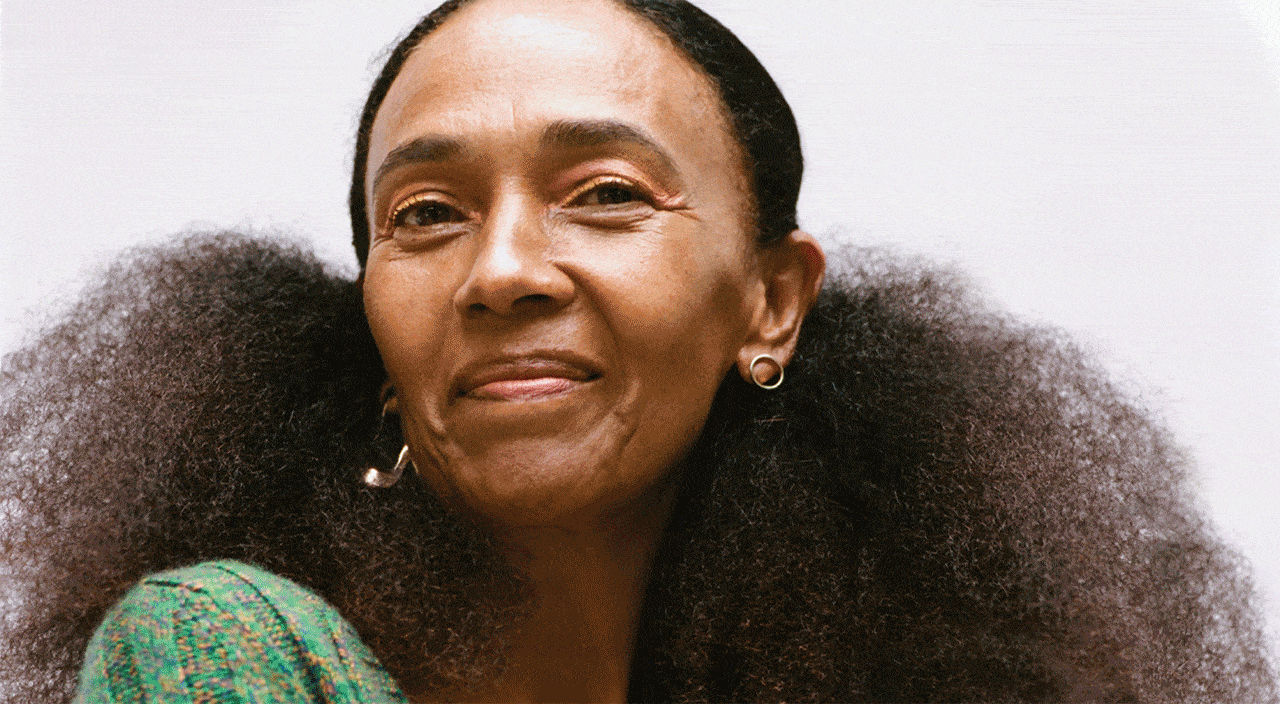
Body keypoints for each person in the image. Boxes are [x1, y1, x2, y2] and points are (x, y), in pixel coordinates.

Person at [1, 0, 1274, 701]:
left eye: (605, 194)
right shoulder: (221, 650)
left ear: (769, 304)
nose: (500, 269)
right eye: (425, 214)